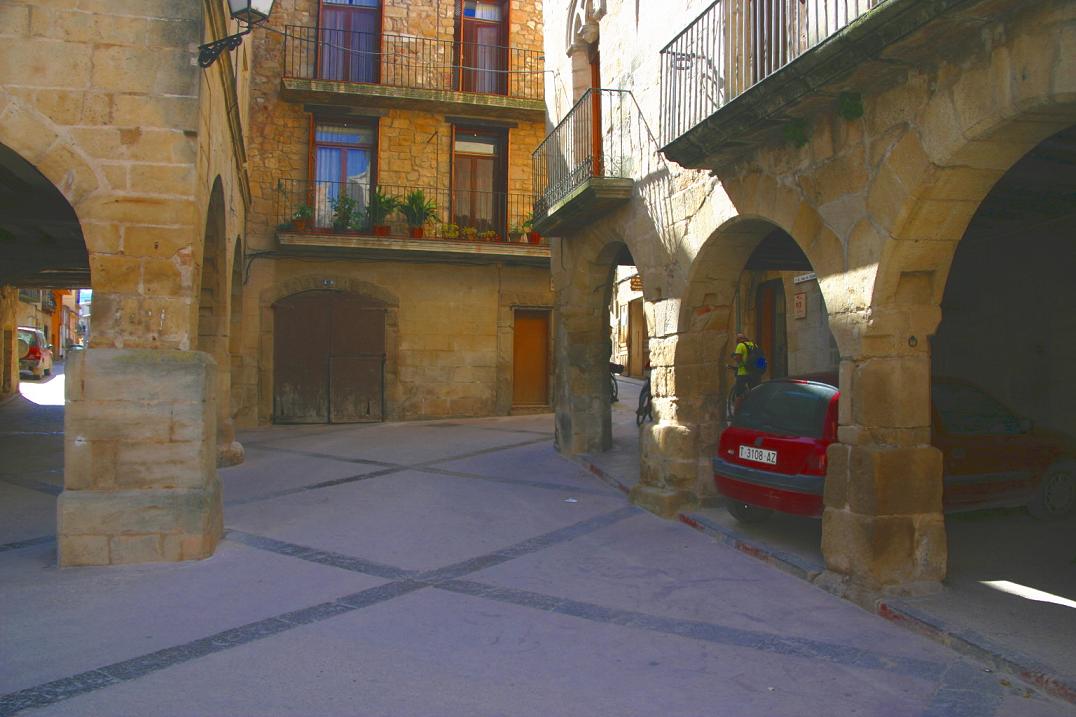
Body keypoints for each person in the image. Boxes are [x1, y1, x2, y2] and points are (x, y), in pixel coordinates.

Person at [730, 331, 762, 398]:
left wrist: (734, 357)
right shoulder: (754, 345)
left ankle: (738, 408)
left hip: (743, 373)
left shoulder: (740, 345)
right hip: (754, 373)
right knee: (754, 394)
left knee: (739, 395)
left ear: (738, 339)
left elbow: (738, 359)